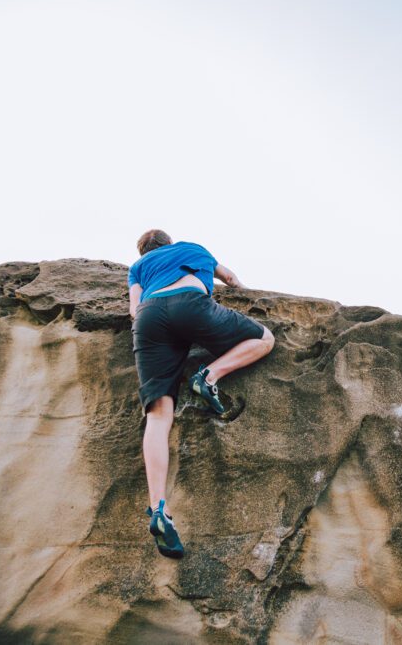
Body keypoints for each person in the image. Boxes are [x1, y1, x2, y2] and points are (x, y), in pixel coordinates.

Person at [128, 229, 275, 559]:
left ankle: (158, 510)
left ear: (143, 252)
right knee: (265, 339)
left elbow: (133, 309)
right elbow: (230, 278)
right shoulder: (194, 248)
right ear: (169, 243)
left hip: (150, 317)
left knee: (158, 416)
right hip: (192, 305)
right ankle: (209, 376)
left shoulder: (138, 268)